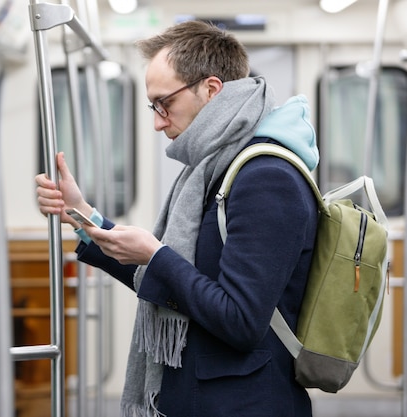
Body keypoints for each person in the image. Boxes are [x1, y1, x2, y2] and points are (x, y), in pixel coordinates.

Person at [35, 20, 319, 417]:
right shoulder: (216, 165)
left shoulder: (266, 177)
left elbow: (240, 321)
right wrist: (84, 214)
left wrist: (156, 256)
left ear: (212, 89)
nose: (157, 121)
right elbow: (179, 274)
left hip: (243, 403)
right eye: (152, 106)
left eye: (163, 103)